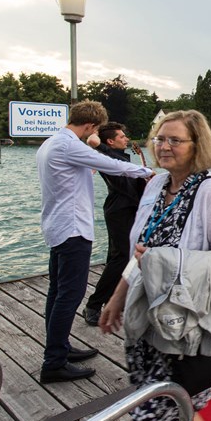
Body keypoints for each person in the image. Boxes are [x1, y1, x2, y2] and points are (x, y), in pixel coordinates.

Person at [99, 110, 211, 421]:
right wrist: (117, 296)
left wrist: (171, 261)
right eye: (160, 138)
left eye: (175, 140)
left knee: (165, 404)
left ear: (197, 146)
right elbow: (141, 251)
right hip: (147, 311)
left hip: (188, 316)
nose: (164, 146)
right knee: (154, 408)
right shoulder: (154, 187)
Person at [35, 101, 153, 384]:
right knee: (69, 295)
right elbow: (110, 163)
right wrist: (146, 173)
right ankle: (53, 362)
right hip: (73, 229)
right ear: (90, 126)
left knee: (57, 291)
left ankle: (59, 348)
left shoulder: (50, 143)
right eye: (97, 128)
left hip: (57, 225)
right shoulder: (68, 145)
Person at [83, 122, 147, 326]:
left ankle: (118, 300)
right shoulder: (109, 158)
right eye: (121, 136)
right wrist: (98, 146)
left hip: (130, 210)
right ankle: (94, 305)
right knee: (120, 259)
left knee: (119, 257)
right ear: (110, 141)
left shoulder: (121, 158)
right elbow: (118, 166)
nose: (126, 139)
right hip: (120, 211)